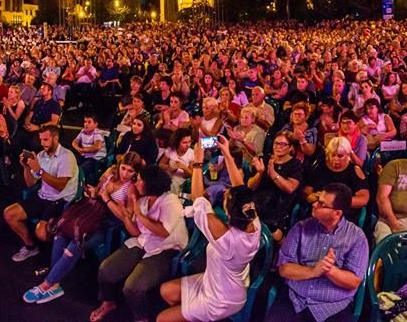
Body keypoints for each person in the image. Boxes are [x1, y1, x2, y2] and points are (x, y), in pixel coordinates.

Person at [157, 139, 260, 322]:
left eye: (226, 197)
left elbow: (198, 199)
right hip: (215, 280)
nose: (226, 192)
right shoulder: (252, 220)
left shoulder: (224, 236)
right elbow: (240, 187)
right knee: (166, 291)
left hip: (221, 299)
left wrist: (198, 162)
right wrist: (226, 152)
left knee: (161, 319)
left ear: (228, 212)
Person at [23, 152, 144, 305]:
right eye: (123, 168)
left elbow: (126, 217)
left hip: (107, 223)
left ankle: (47, 284)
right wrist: (94, 192)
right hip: (90, 213)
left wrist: (107, 199)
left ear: (135, 173)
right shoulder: (110, 173)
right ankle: (54, 281)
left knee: (76, 244)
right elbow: (97, 191)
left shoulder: (131, 188)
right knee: (61, 233)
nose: (125, 174)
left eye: (130, 171)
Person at [89, 165, 188, 322]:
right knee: (106, 269)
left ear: (151, 183)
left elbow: (163, 232)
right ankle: (108, 302)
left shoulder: (170, 201)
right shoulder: (142, 201)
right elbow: (136, 232)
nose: (136, 183)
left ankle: (141, 317)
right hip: (144, 242)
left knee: (133, 286)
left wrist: (139, 215)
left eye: (140, 180)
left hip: (167, 248)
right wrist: (126, 217)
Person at [278, 182, 369, 322]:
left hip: (332, 306)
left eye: (321, 204)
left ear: (337, 213)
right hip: (296, 299)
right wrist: (313, 271)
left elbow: (354, 282)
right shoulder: (301, 228)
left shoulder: (356, 237)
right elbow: (284, 269)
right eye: (317, 200)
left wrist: (330, 270)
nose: (314, 204)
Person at [4, 124, 79, 262]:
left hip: (60, 199)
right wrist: (26, 167)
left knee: (42, 233)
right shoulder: (40, 156)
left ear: (55, 138)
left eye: (46, 139)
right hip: (42, 195)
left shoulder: (67, 157)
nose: (42, 143)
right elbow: (31, 183)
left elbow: (60, 186)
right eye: (41, 139)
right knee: (9, 214)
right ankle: (31, 247)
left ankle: (58, 242)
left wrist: (39, 171)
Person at [248, 130, 302, 240]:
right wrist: (259, 173)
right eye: (276, 143)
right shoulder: (264, 159)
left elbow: (290, 188)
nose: (278, 147)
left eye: (283, 144)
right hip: (258, 200)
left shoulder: (295, 164)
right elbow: (250, 186)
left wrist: (273, 174)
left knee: (274, 234)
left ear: (290, 147)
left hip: (279, 204)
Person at [302, 137, 369, 213]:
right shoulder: (320, 166)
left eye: (340, 156)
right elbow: (307, 189)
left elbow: (363, 199)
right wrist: (312, 196)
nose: (336, 159)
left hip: (342, 211)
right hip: (318, 208)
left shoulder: (354, 170)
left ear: (348, 155)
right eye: (333, 155)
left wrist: (334, 201)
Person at [72, 113, 107, 184]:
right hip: (84, 156)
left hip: (95, 159)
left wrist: (84, 150)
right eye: (85, 122)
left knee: (80, 171)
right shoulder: (83, 131)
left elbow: (97, 146)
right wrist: (78, 148)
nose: (86, 124)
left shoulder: (97, 133)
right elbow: (74, 142)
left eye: (89, 122)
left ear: (95, 124)